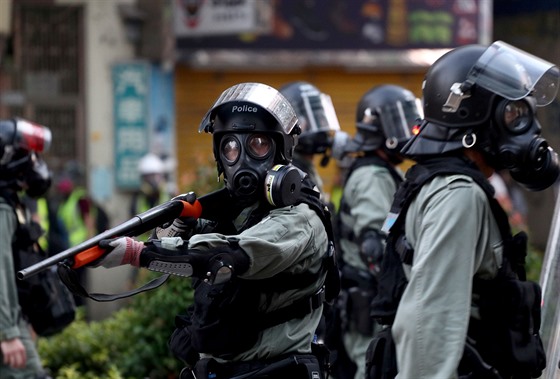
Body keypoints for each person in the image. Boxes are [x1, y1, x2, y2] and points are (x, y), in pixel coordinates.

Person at [86, 82, 339, 379]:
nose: (242, 159)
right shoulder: (240, 215)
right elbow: (177, 245)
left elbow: (226, 255)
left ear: (280, 150)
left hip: (277, 371)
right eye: (229, 147)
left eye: (258, 144)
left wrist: (136, 252)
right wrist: (180, 225)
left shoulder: (300, 218)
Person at [368, 41, 558, 379]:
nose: (528, 127)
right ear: (475, 120)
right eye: (513, 113)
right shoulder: (459, 194)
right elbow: (430, 321)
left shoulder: (442, 183)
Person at [335, 84, 422, 379]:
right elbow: (374, 246)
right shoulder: (372, 176)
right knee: (370, 369)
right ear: (383, 128)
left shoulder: (382, 171)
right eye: (401, 120)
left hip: (374, 300)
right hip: (368, 303)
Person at [0, 118, 52, 379]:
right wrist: (7, 332)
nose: (35, 164)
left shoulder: (9, 203)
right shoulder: (2, 209)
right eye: (29, 156)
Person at [279, 81, 342, 198]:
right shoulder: (291, 175)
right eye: (308, 118)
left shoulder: (305, 167)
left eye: (320, 117)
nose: (321, 126)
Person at [130, 153, 171, 218]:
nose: (153, 180)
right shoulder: (138, 196)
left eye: (156, 176)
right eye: (149, 176)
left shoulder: (169, 194)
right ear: (143, 178)